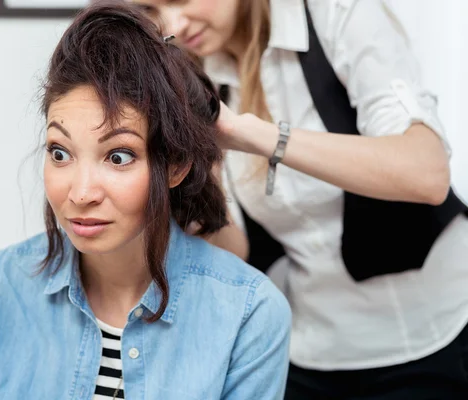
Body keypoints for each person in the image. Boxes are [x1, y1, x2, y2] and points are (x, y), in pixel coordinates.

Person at [130, 0, 468, 398]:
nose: (174, 24)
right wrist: (179, 189)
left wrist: (253, 134)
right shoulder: (199, 73)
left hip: (425, 336)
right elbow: (236, 248)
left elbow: (426, 173)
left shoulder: (338, 13)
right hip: (307, 347)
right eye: (152, 7)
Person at [0, 3, 291, 399]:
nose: (81, 193)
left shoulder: (249, 314)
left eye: (118, 157)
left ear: (176, 165)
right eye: (60, 153)